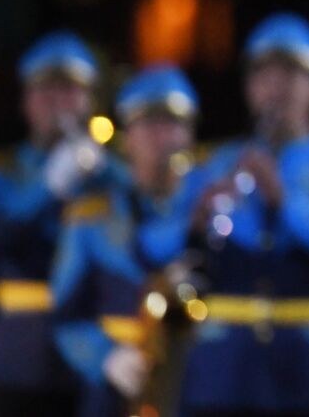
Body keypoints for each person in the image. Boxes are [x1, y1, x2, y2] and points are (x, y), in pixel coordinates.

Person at [164, 12, 309, 417]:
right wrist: (194, 223)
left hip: (308, 374)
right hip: (223, 376)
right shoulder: (218, 163)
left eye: (290, 74)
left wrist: (283, 200)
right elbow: (156, 247)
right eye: (262, 75)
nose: (275, 88)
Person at [52, 64, 202, 417]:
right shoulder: (91, 215)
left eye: (174, 124)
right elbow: (66, 312)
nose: (162, 138)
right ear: (128, 138)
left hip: (195, 383)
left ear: (190, 134)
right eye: (148, 125)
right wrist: (104, 357)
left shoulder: (207, 207)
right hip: (116, 389)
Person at [0, 31, 115, 417]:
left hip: (95, 351)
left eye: (69, 91)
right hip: (24, 350)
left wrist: (110, 177)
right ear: (26, 102)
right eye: (44, 92)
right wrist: (50, 186)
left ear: (88, 102)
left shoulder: (108, 173)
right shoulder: (1, 171)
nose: (56, 104)